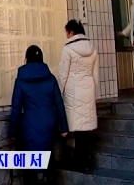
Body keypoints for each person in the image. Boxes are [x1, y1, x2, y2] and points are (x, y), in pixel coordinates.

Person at [10, 45, 68, 184]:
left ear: (26, 59)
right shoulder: (51, 78)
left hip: (29, 125)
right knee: (48, 156)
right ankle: (51, 178)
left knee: (30, 163)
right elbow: (59, 103)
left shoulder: (21, 80)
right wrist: (64, 128)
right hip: (49, 123)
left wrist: (13, 131)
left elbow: (16, 108)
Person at [58, 20, 99, 173]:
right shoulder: (92, 48)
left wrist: (59, 93)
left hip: (73, 93)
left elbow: (63, 74)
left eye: (67, 33)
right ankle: (86, 161)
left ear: (71, 32)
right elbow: (95, 75)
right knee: (85, 130)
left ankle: (79, 161)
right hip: (88, 90)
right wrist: (93, 93)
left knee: (78, 129)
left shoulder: (68, 49)